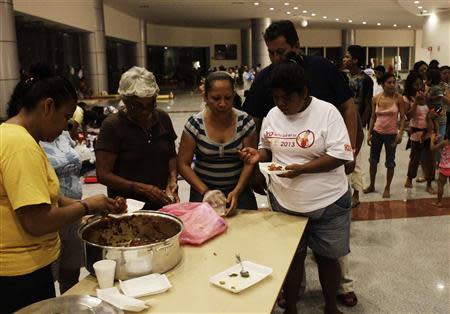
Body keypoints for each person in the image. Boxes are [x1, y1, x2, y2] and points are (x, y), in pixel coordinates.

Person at [241, 19, 360, 307]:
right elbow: (264, 141)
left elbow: (346, 126)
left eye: (281, 51)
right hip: (286, 202)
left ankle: (331, 304)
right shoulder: (272, 108)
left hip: (328, 201)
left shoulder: (326, 103)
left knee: (329, 258)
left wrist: (309, 167)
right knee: (292, 259)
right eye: (277, 98)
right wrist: (258, 156)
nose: (281, 103)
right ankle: (291, 306)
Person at [0, 71, 123, 313]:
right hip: (19, 274)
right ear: (47, 106)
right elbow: (36, 222)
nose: (65, 127)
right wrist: (86, 207)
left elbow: (45, 196)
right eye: (65, 117)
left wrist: (87, 204)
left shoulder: (10, 133)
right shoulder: (20, 145)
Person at [95, 66, 179, 210]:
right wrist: (142, 188)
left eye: (151, 104)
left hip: (161, 202)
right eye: (138, 106)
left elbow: (171, 154)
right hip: (128, 206)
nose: (146, 112)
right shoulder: (112, 126)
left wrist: (172, 180)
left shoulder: (162, 118)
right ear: (125, 102)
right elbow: (103, 174)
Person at [177, 71, 257, 213]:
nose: (222, 103)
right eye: (216, 98)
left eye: (228, 98)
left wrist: (237, 192)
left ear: (234, 96)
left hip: (240, 192)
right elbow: (183, 164)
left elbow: (250, 161)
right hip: (201, 191)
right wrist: (206, 192)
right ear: (205, 97)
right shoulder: (195, 124)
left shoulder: (245, 121)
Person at [40, 128, 84, 294]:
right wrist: (86, 206)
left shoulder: (63, 134)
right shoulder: (31, 141)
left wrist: (81, 207)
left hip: (73, 213)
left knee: (71, 272)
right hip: (51, 216)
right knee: (48, 278)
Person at [364, 73, 406, 198]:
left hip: (391, 135)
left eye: (394, 82)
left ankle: (387, 187)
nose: (392, 85)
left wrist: (400, 133)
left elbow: (403, 117)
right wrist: (369, 133)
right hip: (377, 133)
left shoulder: (399, 98)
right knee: (373, 161)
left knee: (390, 162)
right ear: (382, 84)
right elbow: (373, 117)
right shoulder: (376, 98)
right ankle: (372, 185)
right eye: (389, 82)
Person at [342, 45, 373, 208]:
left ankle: (356, 193)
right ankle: (343, 191)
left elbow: (368, 105)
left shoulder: (366, 80)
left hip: (358, 123)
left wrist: (360, 126)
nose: (344, 59)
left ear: (355, 60)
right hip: (342, 123)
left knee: (357, 159)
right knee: (343, 156)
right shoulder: (342, 77)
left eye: (347, 57)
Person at [403, 73, 435, 193]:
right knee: (415, 158)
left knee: (430, 159)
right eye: (415, 84)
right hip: (416, 132)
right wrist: (416, 102)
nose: (418, 86)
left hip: (429, 132)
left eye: (420, 83)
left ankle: (429, 183)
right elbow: (408, 115)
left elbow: (436, 111)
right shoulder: (407, 98)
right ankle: (409, 178)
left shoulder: (427, 97)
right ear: (410, 85)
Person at [431, 130, 450, 207]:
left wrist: (432, 139)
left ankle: (439, 202)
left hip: (444, 167)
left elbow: (432, 148)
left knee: (441, 184)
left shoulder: (445, 142)